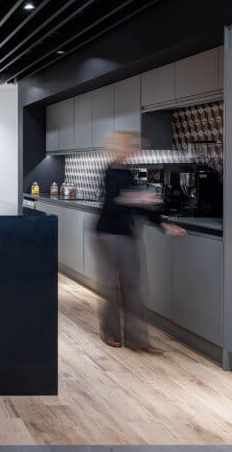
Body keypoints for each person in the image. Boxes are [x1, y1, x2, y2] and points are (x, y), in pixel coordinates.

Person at [95, 131, 186, 354]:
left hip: (126, 234)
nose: (136, 150)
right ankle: (111, 334)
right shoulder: (110, 171)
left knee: (133, 287)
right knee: (113, 286)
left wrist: (164, 224)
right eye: (133, 146)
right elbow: (111, 203)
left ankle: (138, 340)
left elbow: (138, 208)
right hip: (108, 234)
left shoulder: (127, 172)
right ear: (121, 147)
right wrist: (134, 198)